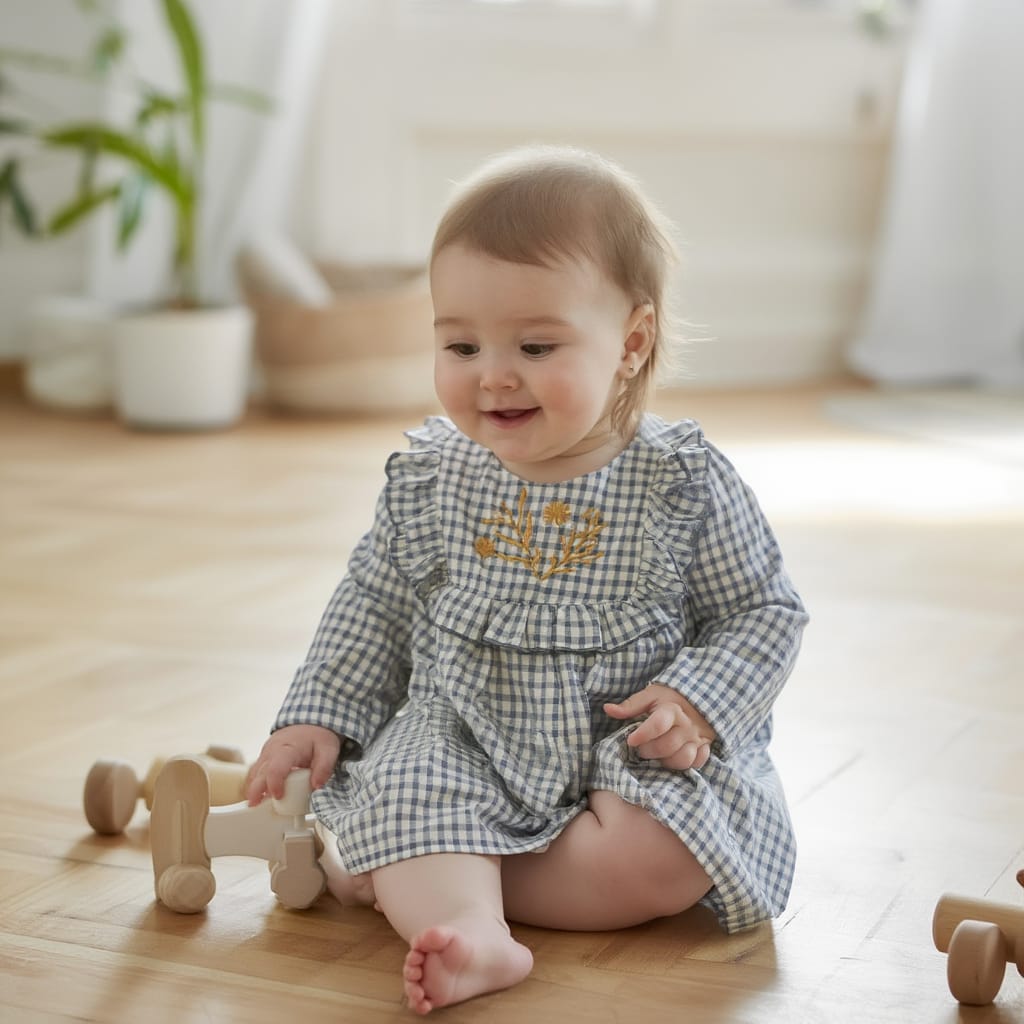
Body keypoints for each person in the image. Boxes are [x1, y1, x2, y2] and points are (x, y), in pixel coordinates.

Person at [246, 145, 808, 1015]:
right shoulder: (433, 476)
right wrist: (316, 716)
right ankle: (473, 932)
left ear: (631, 342)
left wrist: (694, 704)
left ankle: (414, 865)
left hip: (624, 755)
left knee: (667, 859)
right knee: (413, 783)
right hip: (465, 733)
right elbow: (372, 606)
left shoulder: (680, 481)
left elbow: (765, 612)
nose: (493, 374)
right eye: (460, 344)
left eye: (536, 345)